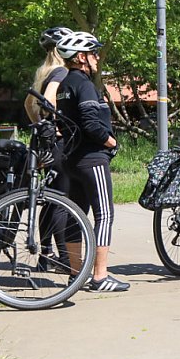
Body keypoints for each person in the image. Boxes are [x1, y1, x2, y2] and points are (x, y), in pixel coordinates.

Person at [55, 31, 128, 292]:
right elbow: (90, 123)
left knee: (76, 215)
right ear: (80, 57)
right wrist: (111, 142)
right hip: (92, 159)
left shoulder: (65, 85)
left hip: (72, 159)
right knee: (104, 215)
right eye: (93, 53)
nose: (97, 57)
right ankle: (100, 276)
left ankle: (76, 275)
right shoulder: (84, 84)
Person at [24, 26, 73, 273]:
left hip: (43, 145)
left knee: (50, 199)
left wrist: (39, 125)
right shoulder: (61, 71)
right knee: (61, 200)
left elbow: (28, 104)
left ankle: (45, 256)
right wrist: (55, 126)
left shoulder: (43, 72)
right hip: (57, 145)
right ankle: (64, 259)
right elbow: (50, 98)